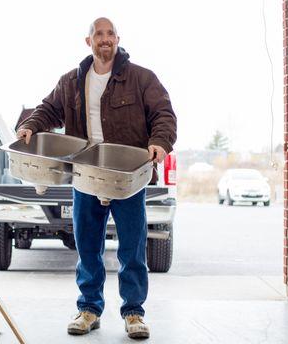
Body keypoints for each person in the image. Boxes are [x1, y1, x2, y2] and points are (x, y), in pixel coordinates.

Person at [16, 17, 177, 339]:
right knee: (88, 246)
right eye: (98, 34)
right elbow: (48, 109)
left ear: (117, 39)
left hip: (125, 175)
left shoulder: (142, 78)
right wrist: (31, 125)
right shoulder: (71, 81)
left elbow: (163, 114)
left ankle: (134, 313)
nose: (105, 39)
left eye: (110, 34)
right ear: (87, 41)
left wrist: (159, 142)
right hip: (86, 174)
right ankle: (89, 308)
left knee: (132, 248)